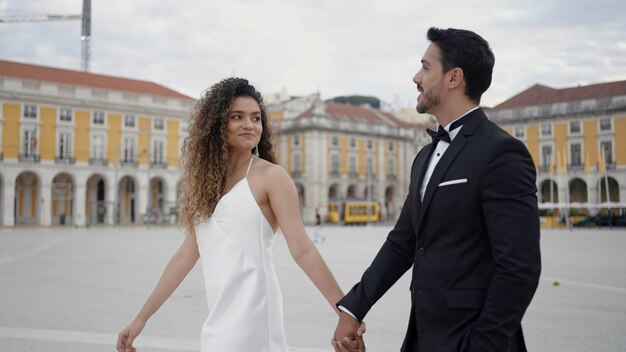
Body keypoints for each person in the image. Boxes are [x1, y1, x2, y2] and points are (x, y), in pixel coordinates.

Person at [117, 78, 364, 352]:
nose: (250, 125)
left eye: (256, 118)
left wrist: (345, 309)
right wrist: (141, 319)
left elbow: (303, 249)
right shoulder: (205, 186)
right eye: (238, 117)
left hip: (255, 315)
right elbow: (183, 257)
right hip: (218, 319)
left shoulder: (272, 176)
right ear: (217, 126)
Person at [332, 27, 541, 352]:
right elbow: (402, 243)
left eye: (426, 67)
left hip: (475, 338)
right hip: (422, 335)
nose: (416, 77)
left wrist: (483, 344)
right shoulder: (424, 157)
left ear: (454, 77)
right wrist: (354, 307)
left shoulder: (501, 153)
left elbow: (519, 267)